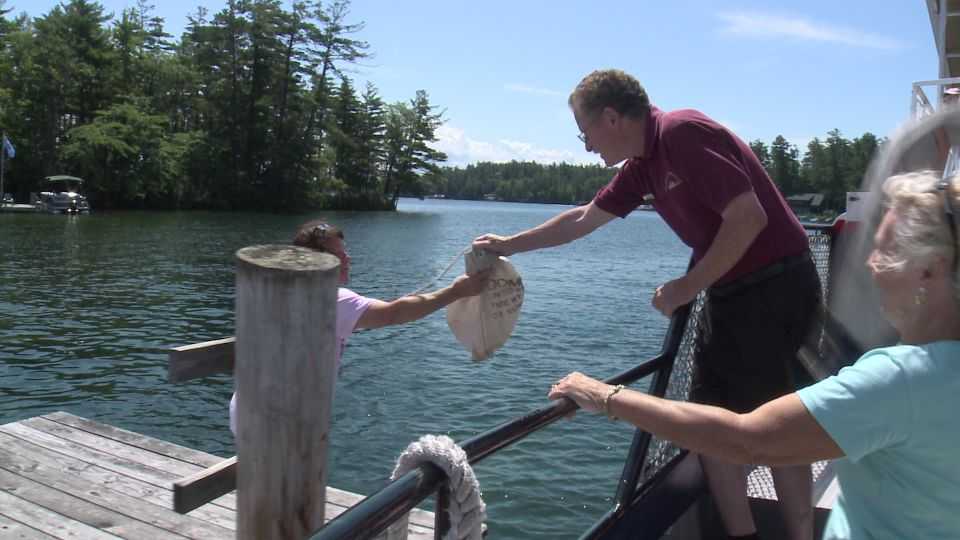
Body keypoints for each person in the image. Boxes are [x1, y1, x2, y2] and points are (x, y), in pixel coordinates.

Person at [473, 69, 821, 540]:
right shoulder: (643, 163)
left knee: (776, 418)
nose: (586, 145)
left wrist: (685, 287)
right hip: (734, 292)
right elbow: (581, 219)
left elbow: (748, 217)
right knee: (719, 422)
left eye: (585, 131)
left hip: (774, 287)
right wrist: (510, 244)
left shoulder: (681, 134)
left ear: (612, 118)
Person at [548, 170, 960, 540]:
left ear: (930, 269)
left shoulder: (901, 382)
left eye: (885, 251)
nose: (870, 264)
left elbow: (748, 440)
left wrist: (604, 396)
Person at [230, 219, 489, 433]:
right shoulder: (332, 299)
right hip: (280, 419)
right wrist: (456, 292)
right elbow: (393, 314)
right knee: (288, 489)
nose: (347, 258)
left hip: (247, 409)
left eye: (345, 251)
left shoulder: (282, 291)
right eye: (338, 254)